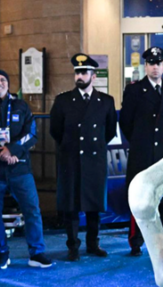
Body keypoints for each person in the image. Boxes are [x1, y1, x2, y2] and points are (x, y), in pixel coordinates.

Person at [0, 70, 52, 270]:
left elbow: (31, 133)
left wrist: (12, 150)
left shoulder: (21, 106)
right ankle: (1, 254)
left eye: (3, 80)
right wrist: (2, 152)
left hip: (19, 168)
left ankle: (37, 253)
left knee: (32, 210)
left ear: (8, 85)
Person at [50, 54, 118, 261]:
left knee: (93, 206)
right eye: (77, 72)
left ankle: (92, 244)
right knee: (71, 206)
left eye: (84, 72)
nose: (79, 76)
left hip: (94, 160)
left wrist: (93, 146)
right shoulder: (63, 101)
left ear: (93, 75)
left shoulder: (106, 101)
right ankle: (73, 246)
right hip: (70, 159)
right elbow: (55, 130)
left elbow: (110, 131)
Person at [120, 47, 163, 255]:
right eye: (151, 63)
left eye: (158, 64)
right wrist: (141, 142)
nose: (155, 67)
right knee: (141, 197)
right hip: (143, 153)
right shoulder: (134, 90)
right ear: (145, 66)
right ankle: (136, 240)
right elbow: (126, 123)